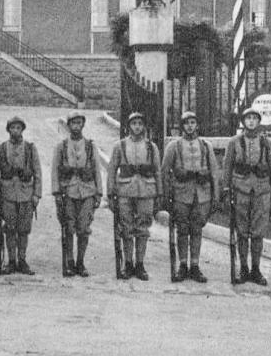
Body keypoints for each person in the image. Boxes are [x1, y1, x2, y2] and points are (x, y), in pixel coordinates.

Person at [161, 110, 220, 283]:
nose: (190, 126)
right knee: (182, 229)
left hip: (202, 194)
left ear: (197, 125)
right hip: (181, 194)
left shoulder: (206, 146)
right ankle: (183, 265)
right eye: (186, 123)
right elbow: (165, 172)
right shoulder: (174, 146)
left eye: (193, 122)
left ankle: (195, 265)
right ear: (182, 126)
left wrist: (215, 196)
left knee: (197, 229)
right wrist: (165, 196)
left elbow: (214, 172)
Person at [222, 106, 271, 285]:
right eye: (248, 118)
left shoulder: (265, 142)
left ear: (259, 122)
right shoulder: (234, 142)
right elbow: (227, 167)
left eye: (255, 118)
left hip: (262, 191)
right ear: (243, 121)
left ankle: (256, 269)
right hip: (241, 190)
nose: (252, 121)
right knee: (242, 230)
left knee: (258, 232)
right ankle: (244, 268)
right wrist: (225, 189)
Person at [106, 112, 163, 281]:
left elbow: (157, 171)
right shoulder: (120, 145)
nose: (137, 126)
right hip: (125, 190)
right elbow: (111, 170)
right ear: (128, 126)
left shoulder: (152, 147)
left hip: (146, 191)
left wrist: (159, 193)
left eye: (140, 123)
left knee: (143, 228)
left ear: (144, 126)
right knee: (126, 227)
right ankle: (128, 263)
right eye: (134, 123)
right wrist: (110, 193)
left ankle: (140, 264)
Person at [0, 116, 43, 275]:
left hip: (26, 193)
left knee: (24, 229)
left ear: (22, 130)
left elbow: (38, 173)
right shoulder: (0, 149)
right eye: (12, 128)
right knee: (10, 229)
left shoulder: (30, 148)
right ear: (8, 130)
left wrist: (37, 195)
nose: (15, 131)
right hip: (7, 195)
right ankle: (11, 261)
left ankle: (22, 260)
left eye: (18, 128)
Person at [52, 110, 101, 277]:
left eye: (79, 123)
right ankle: (69, 262)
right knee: (68, 227)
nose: (76, 126)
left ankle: (80, 262)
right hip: (68, 191)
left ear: (83, 125)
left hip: (87, 191)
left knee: (84, 227)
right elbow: (55, 171)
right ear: (68, 125)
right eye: (73, 123)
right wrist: (57, 193)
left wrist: (99, 193)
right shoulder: (61, 146)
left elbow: (97, 170)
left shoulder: (90, 146)